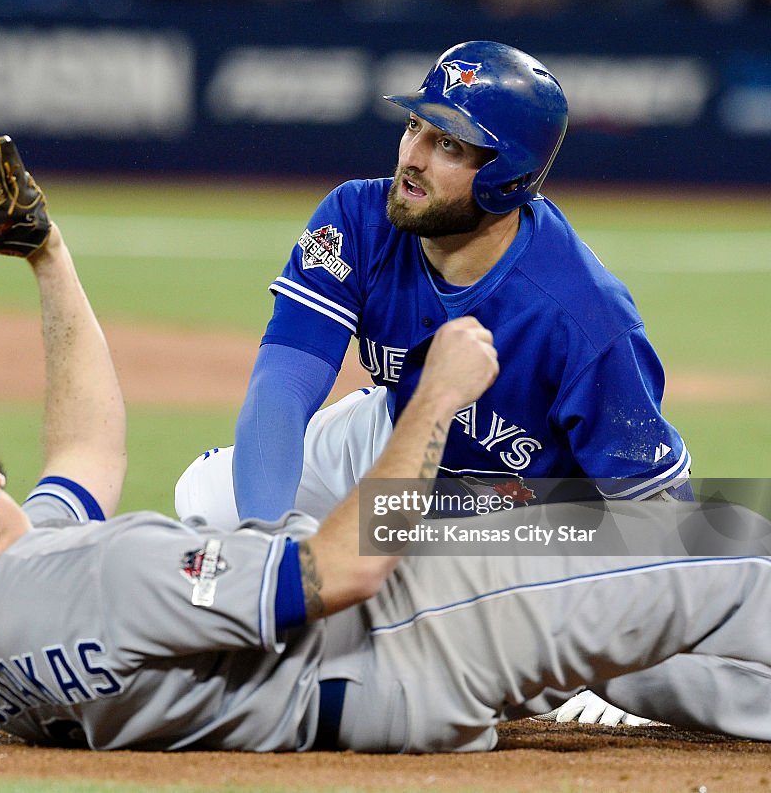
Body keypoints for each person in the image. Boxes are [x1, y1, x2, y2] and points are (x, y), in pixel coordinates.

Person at [0, 220, 771, 753]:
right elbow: (337, 572)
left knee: (629, 580)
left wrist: (48, 255)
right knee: (714, 539)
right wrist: (436, 399)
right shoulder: (114, 573)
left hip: (388, 637)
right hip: (412, 638)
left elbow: (86, 449)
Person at [173, 39, 694, 725]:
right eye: (415, 126)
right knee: (209, 494)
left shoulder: (586, 319)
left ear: (505, 177)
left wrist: (604, 618)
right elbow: (283, 386)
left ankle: (569, 671)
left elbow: (664, 520)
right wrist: (271, 561)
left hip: (524, 512)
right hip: (395, 441)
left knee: (440, 605)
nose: (412, 157)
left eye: (448, 144)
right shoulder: (358, 217)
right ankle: (332, 629)